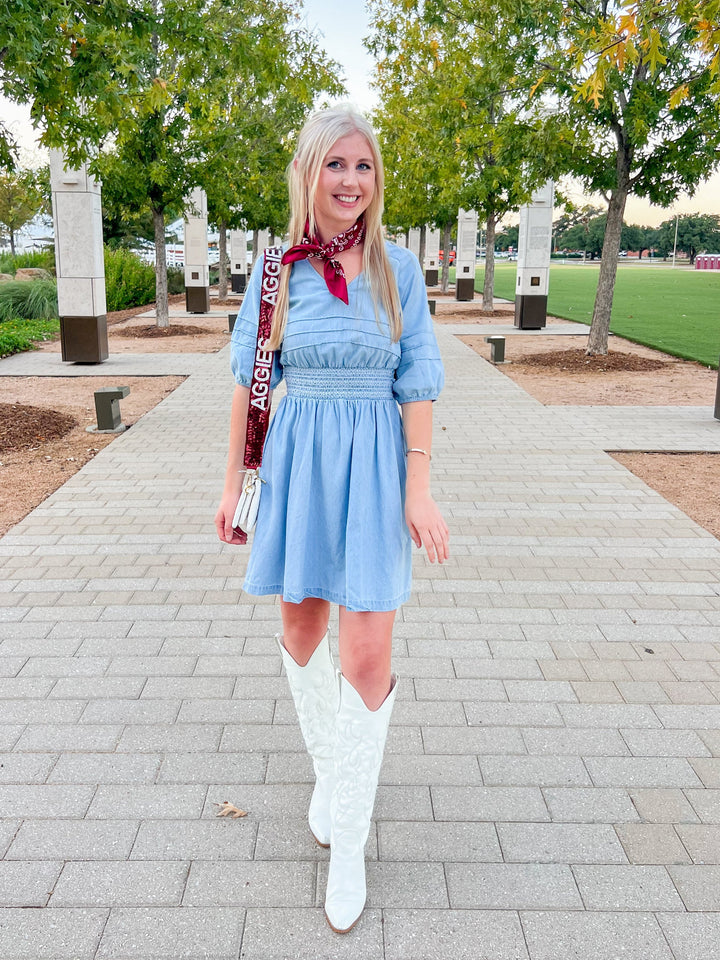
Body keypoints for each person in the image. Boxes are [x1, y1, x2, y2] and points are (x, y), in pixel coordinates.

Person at [215, 105, 448, 934]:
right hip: (295, 465)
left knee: (368, 650)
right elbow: (251, 382)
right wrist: (237, 479)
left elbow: (418, 381)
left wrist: (418, 489)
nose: (352, 181)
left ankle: (348, 839)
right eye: (336, 165)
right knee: (304, 632)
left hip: (375, 469)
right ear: (308, 172)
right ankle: (333, 778)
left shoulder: (400, 270)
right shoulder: (276, 268)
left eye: (365, 166)